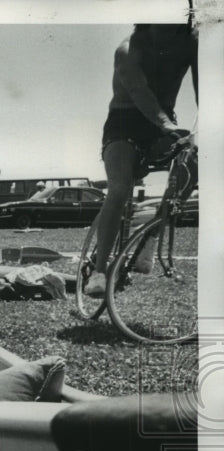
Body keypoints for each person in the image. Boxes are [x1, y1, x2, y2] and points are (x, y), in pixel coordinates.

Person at [85, 22, 197, 297]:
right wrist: (166, 125)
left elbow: (204, 87)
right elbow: (139, 92)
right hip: (125, 124)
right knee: (120, 189)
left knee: (195, 164)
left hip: (163, 125)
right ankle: (98, 273)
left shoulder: (191, 41)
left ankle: (150, 238)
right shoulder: (128, 49)